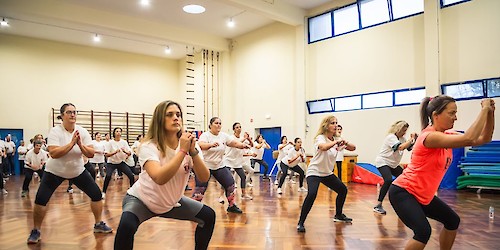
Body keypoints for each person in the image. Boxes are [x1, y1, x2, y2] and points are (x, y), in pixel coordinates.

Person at [389, 96, 495, 250]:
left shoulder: (447, 135)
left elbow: (484, 138)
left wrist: (490, 113)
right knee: (423, 232)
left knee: (452, 221)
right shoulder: (429, 137)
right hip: (404, 192)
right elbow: (470, 138)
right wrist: (484, 108)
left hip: (423, 195)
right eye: (451, 113)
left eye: (455, 113)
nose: (455, 117)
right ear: (435, 115)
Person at [114, 100, 215, 250]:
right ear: (160, 119)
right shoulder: (149, 146)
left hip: (170, 202)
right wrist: (182, 151)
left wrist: (193, 152)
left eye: (178, 115)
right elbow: (159, 178)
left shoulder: (190, 145)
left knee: (208, 216)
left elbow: (204, 177)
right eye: (170, 115)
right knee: (126, 226)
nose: (176, 118)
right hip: (142, 200)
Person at [27, 103, 112, 244]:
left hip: (77, 171)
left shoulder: (82, 131)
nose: (73, 114)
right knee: (40, 199)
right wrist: (71, 144)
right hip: (54, 171)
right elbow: (54, 153)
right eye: (69, 112)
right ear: (62, 116)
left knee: (96, 195)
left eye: (74, 112)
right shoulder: (55, 131)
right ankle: (36, 230)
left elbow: (90, 154)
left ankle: (98, 224)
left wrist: (80, 144)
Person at [297, 115, 353, 233]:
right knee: (312, 194)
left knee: (343, 190)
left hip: (327, 173)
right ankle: (301, 222)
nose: (336, 125)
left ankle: (338, 215)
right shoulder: (320, 138)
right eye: (333, 123)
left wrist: (345, 142)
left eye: (336, 123)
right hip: (314, 172)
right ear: (326, 126)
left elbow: (353, 148)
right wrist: (336, 142)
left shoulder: (336, 140)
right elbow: (323, 147)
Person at [191, 117, 249, 213]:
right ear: (210, 125)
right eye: (216, 123)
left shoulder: (223, 136)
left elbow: (233, 143)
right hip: (205, 166)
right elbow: (200, 145)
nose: (218, 125)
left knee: (230, 184)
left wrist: (242, 145)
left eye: (220, 123)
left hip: (219, 166)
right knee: (200, 189)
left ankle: (231, 206)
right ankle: (194, 209)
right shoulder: (205, 135)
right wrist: (210, 145)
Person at [373, 120, 417, 215]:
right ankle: (378, 205)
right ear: (398, 129)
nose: (404, 133)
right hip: (383, 161)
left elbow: (409, 148)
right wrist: (411, 140)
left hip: (393, 164)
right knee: (388, 180)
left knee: (405, 178)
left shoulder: (402, 139)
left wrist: (414, 140)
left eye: (406, 130)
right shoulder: (391, 137)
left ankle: (404, 202)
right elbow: (400, 147)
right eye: (403, 130)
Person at [102, 127, 135, 198]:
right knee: (108, 176)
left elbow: (129, 153)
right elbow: (106, 154)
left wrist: (125, 151)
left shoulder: (124, 142)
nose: (118, 133)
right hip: (111, 163)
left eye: (120, 131)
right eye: (117, 131)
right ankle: (103, 192)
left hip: (120, 162)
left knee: (131, 175)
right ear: (114, 133)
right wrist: (115, 152)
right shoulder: (110, 143)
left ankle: (133, 191)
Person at [223, 122, 253, 200]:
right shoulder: (231, 137)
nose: (239, 128)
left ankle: (243, 194)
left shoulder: (242, 138)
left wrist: (248, 139)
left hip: (237, 161)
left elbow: (251, 145)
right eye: (237, 127)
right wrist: (245, 139)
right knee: (226, 178)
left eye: (240, 127)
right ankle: (221, 196)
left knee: (243, 177)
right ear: (234, 129)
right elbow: (237, 144)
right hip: (229, 160)